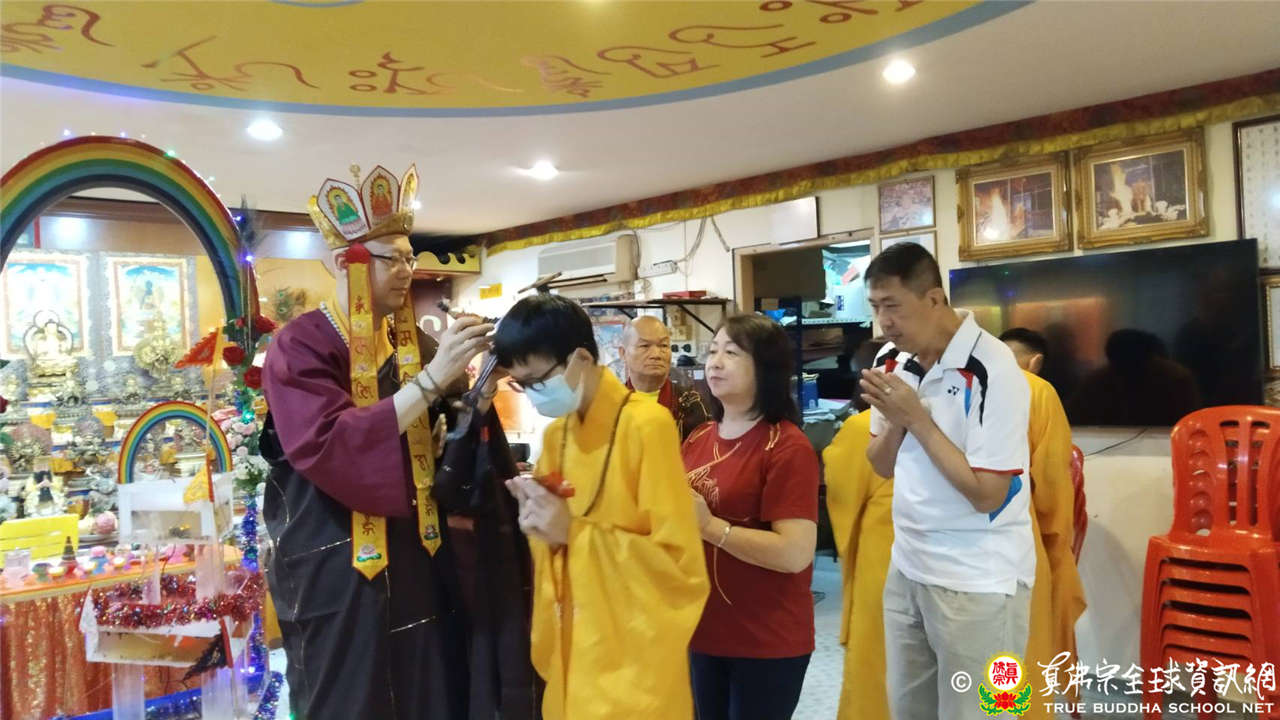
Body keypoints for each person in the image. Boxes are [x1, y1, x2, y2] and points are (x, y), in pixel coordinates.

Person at [259, 164, 494, 719]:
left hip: (417, 549)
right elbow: (327, 443)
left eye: (411, 258)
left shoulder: (412, 347)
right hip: (337, 555)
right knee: (352, 692)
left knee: (427, 685)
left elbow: (440, 446)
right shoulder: (301, 346)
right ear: (347, 263)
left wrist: (474, 400)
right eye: (393, 259)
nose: (407, 271)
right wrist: (432, 380)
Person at [493, 293, 709, 720]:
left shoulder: (647, 427)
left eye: (537, 380)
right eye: (521, 384)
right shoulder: (556, 437)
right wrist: (539, 524)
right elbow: (555, 556)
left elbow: (679, 568)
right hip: (574, 653)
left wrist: (573, 533)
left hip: (633, 670)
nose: (533, 395)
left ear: (580, 358)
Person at [860, 242, 1032, 720]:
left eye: (893, 306)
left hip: (980, 580)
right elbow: (880, 464)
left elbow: (988, 494)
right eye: (875, 307)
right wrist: (898, 421)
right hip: (908, 568)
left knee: (988, 714)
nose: (884, 322)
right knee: (909, 710)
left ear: (934, 299)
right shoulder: (892, 360)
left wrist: (916, 419)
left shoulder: (994, 368)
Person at [680, 314, 820, 720]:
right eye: (712, 351)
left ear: (766, 368)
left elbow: (794, 553)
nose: (715, 362)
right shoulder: (699, 437)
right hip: (702, 630)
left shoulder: (786, 446)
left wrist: (710, 527)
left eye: (732, 352)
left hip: (765, 638)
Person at [1001, 330, 1086, 720]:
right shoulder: (1036, 391)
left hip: (943, 552)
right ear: (1035, 362)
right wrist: (1055, 544)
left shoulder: (950, 389)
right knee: (1022, 648)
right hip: (1019, 538)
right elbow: (1051, 483)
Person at [823, 338, 893, 720]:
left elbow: (843, 497)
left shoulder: (861, 428)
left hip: (886, 562)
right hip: (972, 566)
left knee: (879, 664)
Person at [621, 315, 711, 439]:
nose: (656, 354)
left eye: (663, 346)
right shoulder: (611, 406)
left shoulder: (692, 404)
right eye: (645, 346)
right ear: (623, 353)